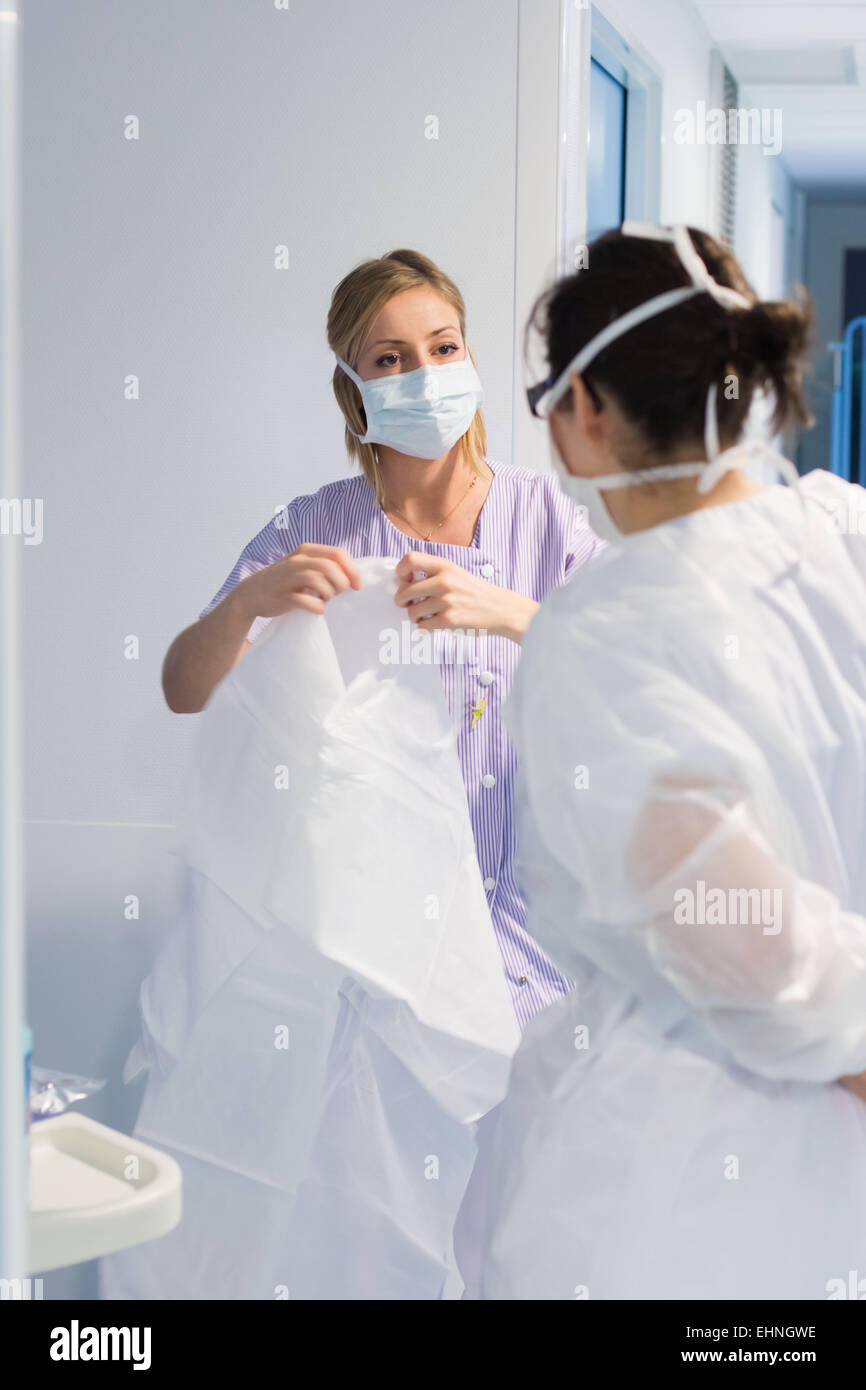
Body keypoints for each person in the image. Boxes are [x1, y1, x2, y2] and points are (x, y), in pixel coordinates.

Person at [108, 247, 599, 1300]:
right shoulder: (315, 531)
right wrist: (248, 607)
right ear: (353, 386)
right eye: (390, 357)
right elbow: (183, 689)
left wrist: (505, 611)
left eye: (442, 346)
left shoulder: (542, 524)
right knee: (343, 1223)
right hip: (352, 938)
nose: (423, 373)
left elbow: (630, 668)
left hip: (513, 929)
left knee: (495, 1221)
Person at [476, 223, 866, 1300]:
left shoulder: (605, 632)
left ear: (586, 413)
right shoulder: (847, 532)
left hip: (687, 1201)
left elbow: (746, 949)